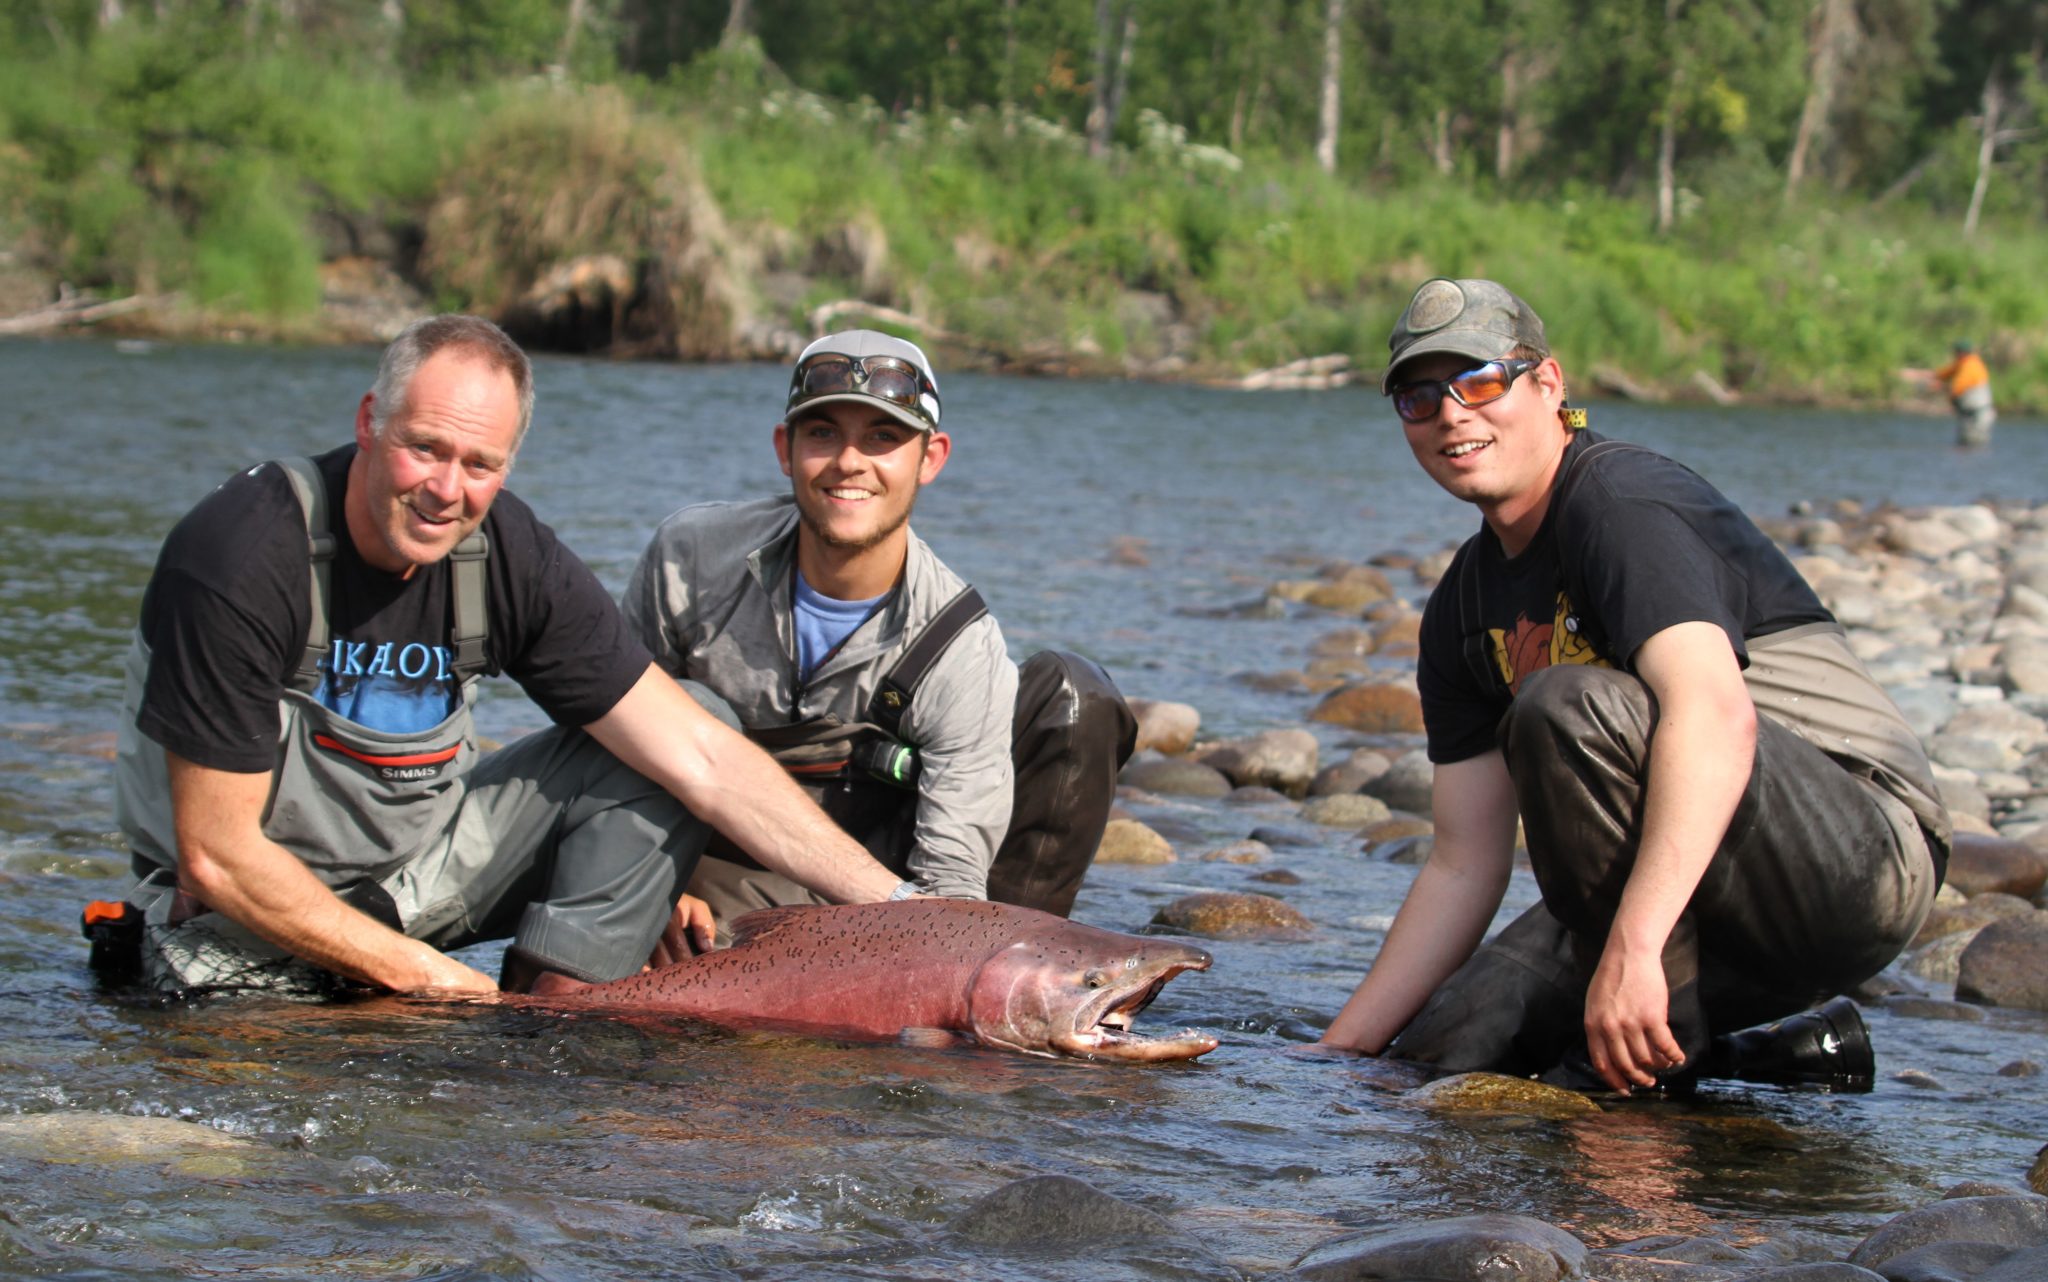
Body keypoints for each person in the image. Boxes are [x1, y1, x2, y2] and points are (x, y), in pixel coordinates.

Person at [103, 315, 919, 999]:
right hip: (229, 916)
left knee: (681, 729)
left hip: (407, 884)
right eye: (425, 449)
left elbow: (705, 758)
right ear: (367, 422)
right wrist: (425, 979)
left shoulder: (503, 552)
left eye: (480, 465)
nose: (446, 491)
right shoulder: (242, 553)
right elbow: (218, 858)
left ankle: (552, 1035)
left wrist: (898, 906)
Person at [1318, 278, 1949, 1094]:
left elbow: (1716, 717)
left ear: (1548, 384)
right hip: (1691, 880)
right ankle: (1771, 1056)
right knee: (1442, 1049)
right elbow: (1462, 864)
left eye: (1479, 382)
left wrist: (1635, 949)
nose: (1451, 415)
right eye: (1418, 398)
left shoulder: (1620, 501)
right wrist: (1336, 1057)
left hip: (1856, 857)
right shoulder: (1463, 609)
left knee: (1564, 704)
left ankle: (1649, 1092)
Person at [622, 329, 1134, 937]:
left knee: (1076, 691)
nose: (849, 462)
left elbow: (949, 879)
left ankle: (1010, 981)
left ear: (931, 458)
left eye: (883, 438)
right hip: (702, 862)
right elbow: (606, 738)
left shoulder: (960, 645)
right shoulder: (690, 556)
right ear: (786, 449)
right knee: (677, 712)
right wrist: (653, 881)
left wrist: (935, 947)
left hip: (876, 885)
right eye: (823, 433)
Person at [1900, 340, 1995, 449]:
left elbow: (1957, 387)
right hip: (1968, 413)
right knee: (1966, 444)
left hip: (1979, 415)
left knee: (1974, 445)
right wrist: (1916, 374)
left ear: (1962, 353)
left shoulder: (1971, 366)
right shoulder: (1961, 364)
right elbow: (1941, 374)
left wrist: (1936, 387)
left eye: (1956, 353)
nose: (1954, 355)